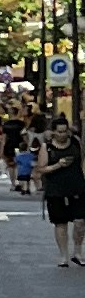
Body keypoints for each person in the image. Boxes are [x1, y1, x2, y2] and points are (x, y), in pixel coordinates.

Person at [44, 113, 85, 269]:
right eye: (59, 131)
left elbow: (81, 159)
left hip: (77, 186)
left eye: (65, 131)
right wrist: (57, 165)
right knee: (60, 223)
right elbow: (41, 168)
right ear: (53, 132)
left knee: (80, 221)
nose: (62, 134)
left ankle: (78, 251)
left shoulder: (75, 142)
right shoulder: (47, 147)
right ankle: (63, 255)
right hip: (56, 188)